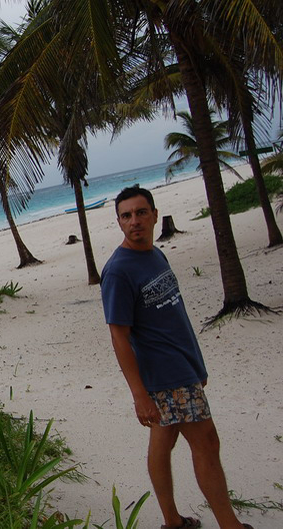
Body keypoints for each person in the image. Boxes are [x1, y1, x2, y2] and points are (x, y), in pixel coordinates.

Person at [100, 185, 252, 529]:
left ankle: (173, 522)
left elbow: (174, 316)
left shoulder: (155, 255)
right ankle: (230, 525)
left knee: (164, 438)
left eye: (141, 213)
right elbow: (119, 336)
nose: (134, 221)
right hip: (165, 373)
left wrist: (196, 364)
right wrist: (139, 394)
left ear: (155, 215)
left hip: (182, 367)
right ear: (119, 223)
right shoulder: (118, 271)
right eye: (126, 216)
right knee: (207, 443)